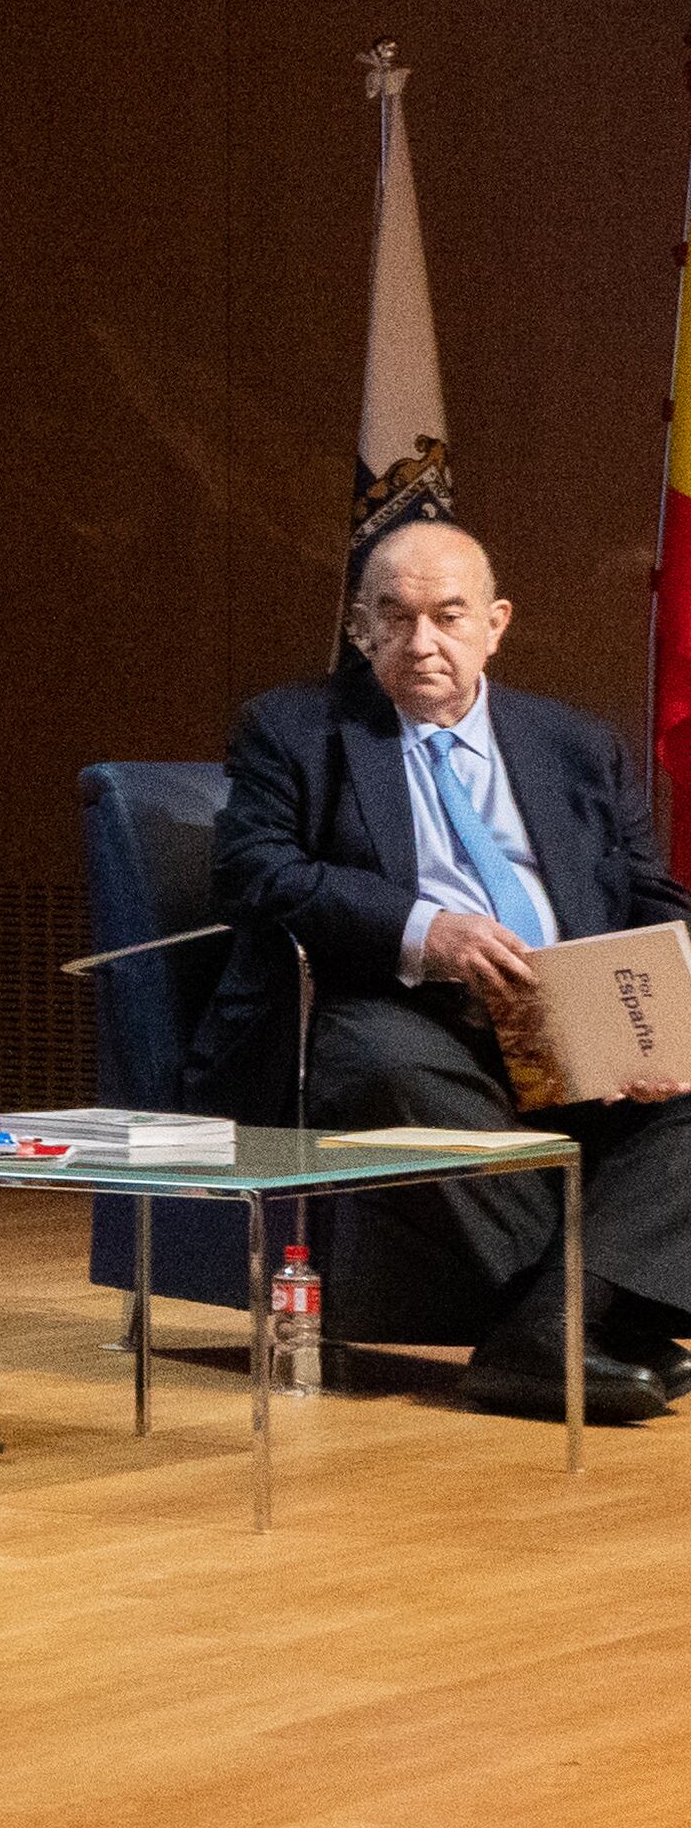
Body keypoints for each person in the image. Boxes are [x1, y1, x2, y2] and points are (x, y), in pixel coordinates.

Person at [202, 517, 691, 1424]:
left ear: (496, 624)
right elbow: (256, 870)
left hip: (573, 1011)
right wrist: (431, 933)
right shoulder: (294, 727)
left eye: (449, 617)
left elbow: (651, 895)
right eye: (396, 618)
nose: (422, 643)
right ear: (362, 628)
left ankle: (542, 1332)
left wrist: (660, 1024)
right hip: (398, 1004)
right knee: (392, 1074)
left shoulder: (577, 745)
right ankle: (590, 1324)